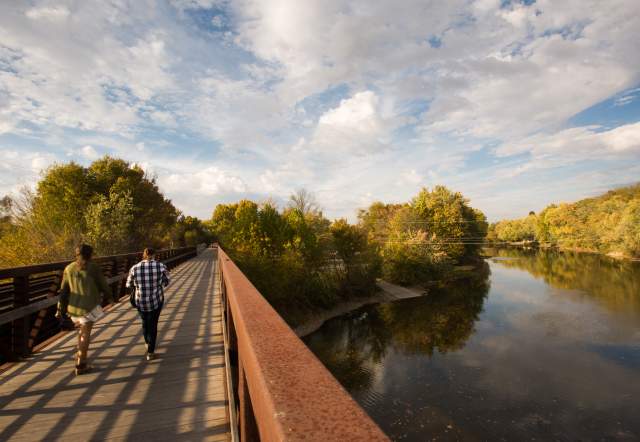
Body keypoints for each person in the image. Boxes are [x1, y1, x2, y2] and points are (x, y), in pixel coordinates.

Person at [57, 244, 112, 375]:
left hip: (74, 307)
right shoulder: (93, 267)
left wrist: (60, 307)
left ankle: (79, 357)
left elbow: (63, 290)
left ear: (76, 254)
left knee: (81, 333)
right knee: (85, 334)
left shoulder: (69, 268)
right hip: (89, 306)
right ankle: (81, 364)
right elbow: (103, 284)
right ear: (90, 254)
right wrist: (110, 297)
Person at [126, 247, 170, 361]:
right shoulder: (160, 266)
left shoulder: (134, 268)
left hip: (140, 301)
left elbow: (128, 284)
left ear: (144, 255)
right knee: (153, 324)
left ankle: (147, 342)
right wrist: (158, 283)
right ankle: (150, 352)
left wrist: (139, 285)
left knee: (145, 322)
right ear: (154, 255)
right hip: (156, 300)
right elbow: (167, 282)